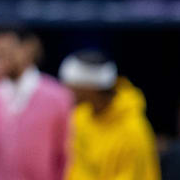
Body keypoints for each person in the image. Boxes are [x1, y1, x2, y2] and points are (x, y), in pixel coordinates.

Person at [0, 26, 72, 180]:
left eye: (6, 53)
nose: (0, 61)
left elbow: (65, 153)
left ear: (29, 48)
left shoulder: (57, 97)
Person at [59, 51, 159, 180]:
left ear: (90, 87)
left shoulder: (133, 131)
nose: (65, 91)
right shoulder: (79, 117)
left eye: (71, 86)